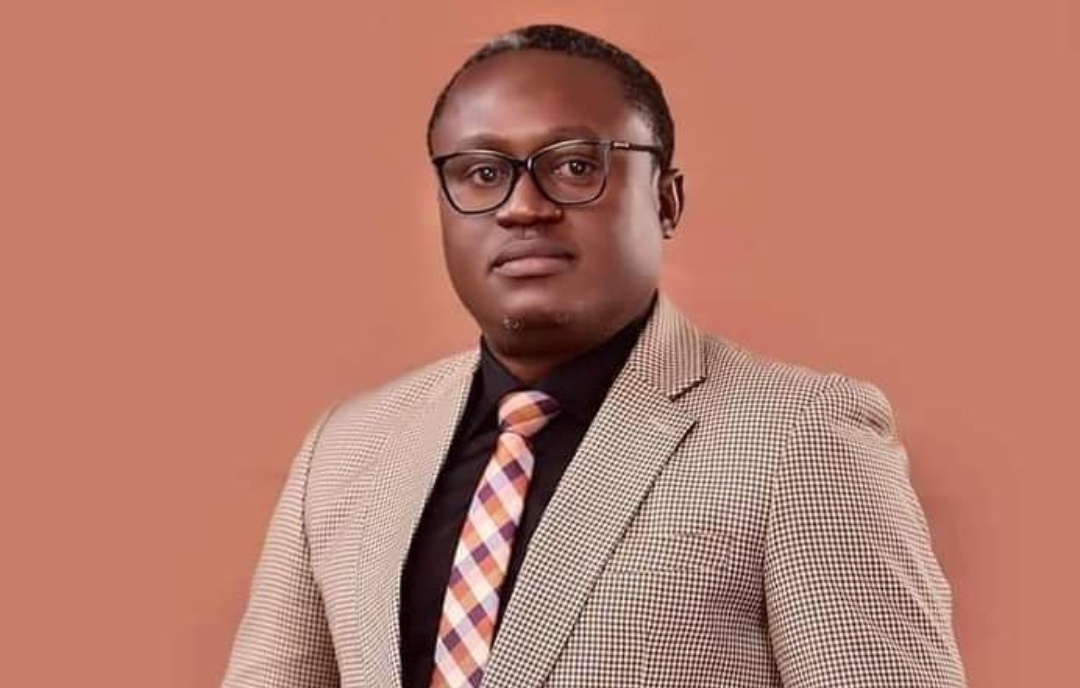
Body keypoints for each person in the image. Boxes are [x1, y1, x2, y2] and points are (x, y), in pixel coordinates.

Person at [221, 24, 965, 688]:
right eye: (482, 173)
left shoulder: (801, 435)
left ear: (666, 201)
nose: (523, 205)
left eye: (576, 166)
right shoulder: (348, 447)